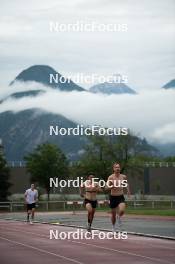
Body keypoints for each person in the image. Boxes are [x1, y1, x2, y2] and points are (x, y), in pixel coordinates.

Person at [106, 163, 131, 232]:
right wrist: (111, 187)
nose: (117, 168)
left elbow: (126, 184)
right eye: (116, 167)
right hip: (113, 197)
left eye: (118, 167)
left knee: (122, 210)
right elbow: (106, 187)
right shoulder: (111, 177)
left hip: (120, 196)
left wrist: (128, 191)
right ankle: (113, 227)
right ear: (113, 169)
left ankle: (119, 217)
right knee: (113, 214)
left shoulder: (123, 176)